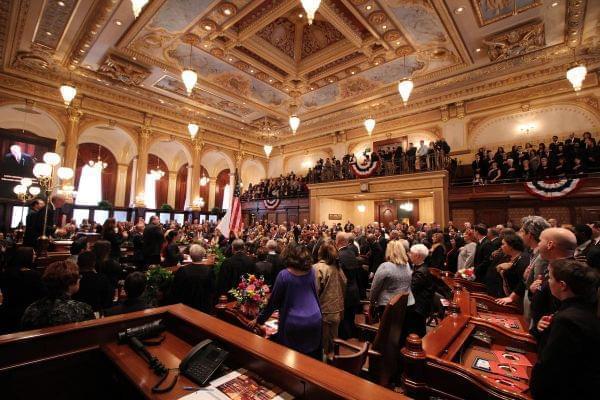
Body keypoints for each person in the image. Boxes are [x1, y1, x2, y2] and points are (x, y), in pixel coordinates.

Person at [529, 259, 600, 399]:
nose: (548, 281)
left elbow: (550, 369)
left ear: (562, 285)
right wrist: (541, 329)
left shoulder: (567, 320)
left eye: (550, 277)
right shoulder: (582, 308)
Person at [250, 243, 322, 359]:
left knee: (290, 357)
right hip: (315, 317)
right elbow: (315, 293)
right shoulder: (311, 271)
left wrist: (259, 319)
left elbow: (273, 303)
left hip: (295, 321)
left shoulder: (284, 275)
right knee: (310, 357)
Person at [21, 261, 94, 329]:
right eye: (79, 277)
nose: (79, 280)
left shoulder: (31, 309)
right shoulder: (83, 309)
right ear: (70, 282)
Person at [0, 247, 45, 333]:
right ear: (27, 257)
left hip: (7, 309)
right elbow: (41, 293)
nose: (35, 256)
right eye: (33, 254)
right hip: (28, 312)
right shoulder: (34, 275)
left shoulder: (6, 272)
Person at [313, 242, 346, 358]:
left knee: (322, 348)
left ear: (320, 252)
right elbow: (344, 283)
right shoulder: (337, 267)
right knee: (332, 346)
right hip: (337, 310)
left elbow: (315, 290)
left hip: (323, 311)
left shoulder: (317, 268)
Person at [369, 240, 414, 318]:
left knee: (387, 329)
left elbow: (375, 288)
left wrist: (371, 303)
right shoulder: (407, 265)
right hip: (406, 304)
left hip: (387, 306)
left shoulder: (385, 266)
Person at [170, 244, 215, 313]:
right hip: (203, 306)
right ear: (203, 256)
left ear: (190, 255)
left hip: (185, 305)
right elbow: (211, 289)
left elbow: (175, 288)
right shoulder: (209, 271)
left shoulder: (182, 270)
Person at [407, 244, 436, 337]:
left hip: (418, 308)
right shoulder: (420, 267)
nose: (409, 255)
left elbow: (411, 289)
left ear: (417, 256)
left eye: (411, 253)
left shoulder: (421, 272)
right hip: (420, 306)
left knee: (416, 332)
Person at [336, 232, 361, 339]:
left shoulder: (338, 256)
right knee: (351, 317)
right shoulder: (352, 252)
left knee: (344, 319)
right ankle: (351, 336)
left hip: (344, 291)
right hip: (354, 289)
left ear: (339, 242)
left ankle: (345, 341)